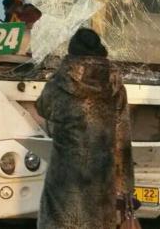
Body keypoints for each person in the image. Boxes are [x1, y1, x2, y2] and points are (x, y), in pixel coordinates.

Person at [34, 28, 136, 229]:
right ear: (100, 51)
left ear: (72, 52)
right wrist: (126, 187)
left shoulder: (59, 82)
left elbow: (42, 107)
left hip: (64, 182)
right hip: (99, 184)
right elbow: (122, 140)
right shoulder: (115, 85)